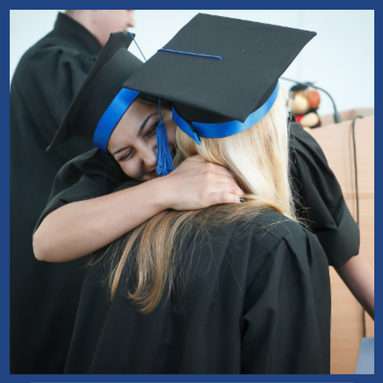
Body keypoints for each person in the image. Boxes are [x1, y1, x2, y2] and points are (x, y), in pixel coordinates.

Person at [57, 14, 330, 373]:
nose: (152, 159)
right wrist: (166, 189)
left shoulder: (117, 242)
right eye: (124, 154)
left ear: (173, 113)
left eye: (153, 131)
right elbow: (46, 241)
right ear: (276, 132)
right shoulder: (278, 243)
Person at [9, 10, 137, 374]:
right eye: (128, 6)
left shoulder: (65, 63)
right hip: (55, 272)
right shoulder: (51, 61)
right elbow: (110, 145)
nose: (133, 21)